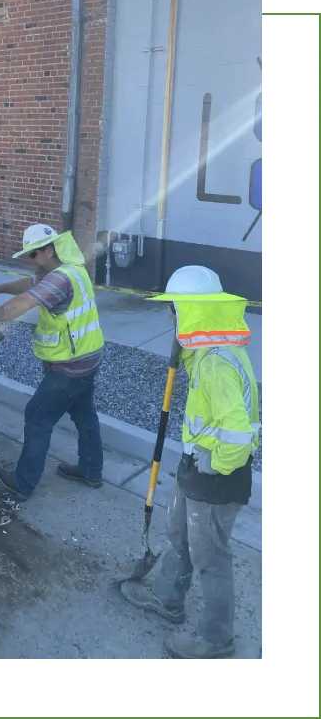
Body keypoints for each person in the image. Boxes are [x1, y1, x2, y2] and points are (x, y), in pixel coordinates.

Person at [119, 266, 261, 660]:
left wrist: (213, 465)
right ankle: (167, 598)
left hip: (215, 478)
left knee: (211, 559)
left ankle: (217, 640)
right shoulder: (206, 351)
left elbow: (239, 432)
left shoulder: (216, 363)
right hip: (194, 467)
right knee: (178, 533)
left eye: (175, 308)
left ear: (193, 310)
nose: (170, 316)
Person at [0, 224, 105, 500]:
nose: (29, 261)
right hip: (87, 360)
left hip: (69, 368)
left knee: (38, 416)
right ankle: (91, 470)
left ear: (49, 250)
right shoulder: (68, 270)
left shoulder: (58, 281)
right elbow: (27, 285)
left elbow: (21, 303)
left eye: (33, 255)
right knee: (84, 415)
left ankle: (22, 484)